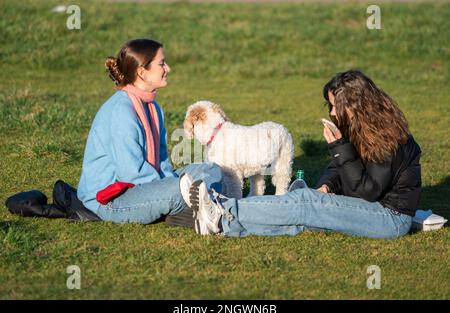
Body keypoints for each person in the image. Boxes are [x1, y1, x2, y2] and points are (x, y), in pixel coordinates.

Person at [180, 70, 421, 239]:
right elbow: (339, 169)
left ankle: (224, 208)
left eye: (336, 106)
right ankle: (223, 225)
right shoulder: (360, 128)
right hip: (372, 208)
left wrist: (339, 149)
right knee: (300, 219)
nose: (334, 113)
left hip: (388, 217)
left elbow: (369, 191)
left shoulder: (387, 136)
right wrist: (327, 186)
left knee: (305, 202)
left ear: (355, 105)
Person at [77, 39, 222, 224]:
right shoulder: (121, 110)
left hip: (144, 186)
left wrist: (172, 181)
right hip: (110, 200)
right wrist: (172, 186)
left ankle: (192, 204)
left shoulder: (154, 108)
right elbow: (130, 173)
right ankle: (199, 205)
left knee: (211, 169)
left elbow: (162, 162)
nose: (167, 68)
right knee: (180, 189)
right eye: (161, 64)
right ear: (142, 72)